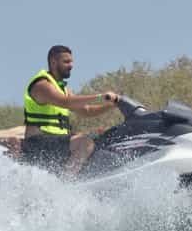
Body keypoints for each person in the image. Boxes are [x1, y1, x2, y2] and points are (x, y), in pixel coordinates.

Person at [22, 45, 120, 175]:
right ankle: (66, 184)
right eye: (66, 62)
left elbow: (87, 111)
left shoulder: (63, 88)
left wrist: (111, 105)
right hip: (37, 143)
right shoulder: (42, 85)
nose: (71, 65)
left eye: (71, 61)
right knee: (84, 143)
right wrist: (100, 96)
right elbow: (65, 102)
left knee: (100, 138)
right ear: (53, 62)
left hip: (56, 142)